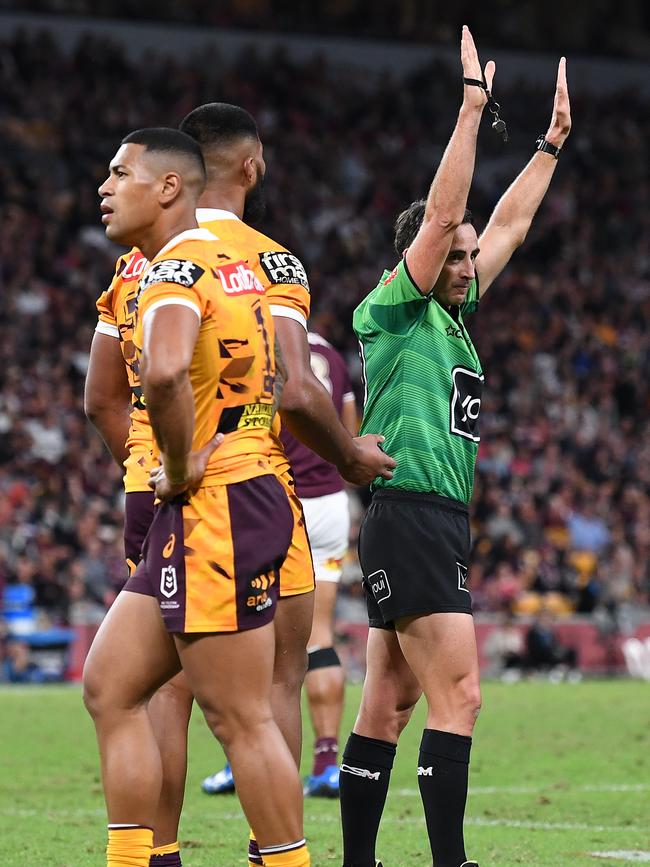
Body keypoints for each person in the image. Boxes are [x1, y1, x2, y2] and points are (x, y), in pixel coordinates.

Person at [85, 103, 395, 867]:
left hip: (210, 501)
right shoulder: (264, 263)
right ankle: (146, 860)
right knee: (112, 683)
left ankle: (278, 858)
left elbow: (154, 374)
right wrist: (347, 453)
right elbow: (289, 383)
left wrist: (183, 459)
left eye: (119, 173)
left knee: (237, 715)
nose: (103, 187)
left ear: (170, 186)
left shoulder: (166, 268)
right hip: (254, 484)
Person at [339, 29, 571, 867]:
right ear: (424, 258)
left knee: (388, 706)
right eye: (458, 257)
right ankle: (451, 863)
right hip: (412, 514)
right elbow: (447, 215)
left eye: (473, 257)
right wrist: (472, 113)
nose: (472, 264)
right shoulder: (393, 312)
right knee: (462, 695)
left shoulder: (455, 318)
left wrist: (548, 147)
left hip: (428, 519)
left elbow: (504, 223)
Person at [203, 331, 357, 800]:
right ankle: (327, 762)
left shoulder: (252, 340)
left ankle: (242, 758)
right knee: (319, 634)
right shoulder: (329, 351)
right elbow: (348, 424)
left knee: (255, 634)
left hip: (275, 497)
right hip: (331, 501)